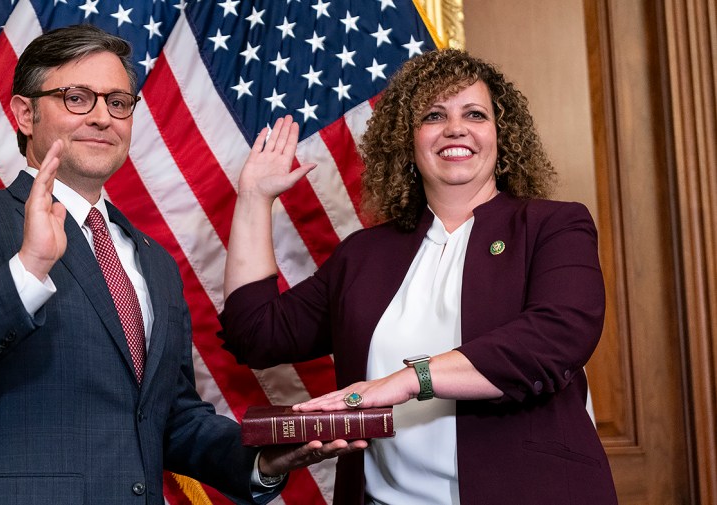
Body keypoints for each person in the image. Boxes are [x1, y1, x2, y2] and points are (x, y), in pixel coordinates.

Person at [0, 24, 349, 505]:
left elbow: (168, 417)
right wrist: (28, 269)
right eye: (77, 98)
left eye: (118, 102)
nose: (101, 118)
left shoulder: (154, 262)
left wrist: (260, 459)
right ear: (25, 113)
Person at [219, 48, 618, 505]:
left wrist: (409, 380)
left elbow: (555, 337)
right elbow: (256, 333)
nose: (455, 128)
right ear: (406, 141)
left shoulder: (554, 225)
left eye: (474, 114)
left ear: (502, 135)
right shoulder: (365, 255)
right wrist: (254, 199)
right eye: (433, 115)